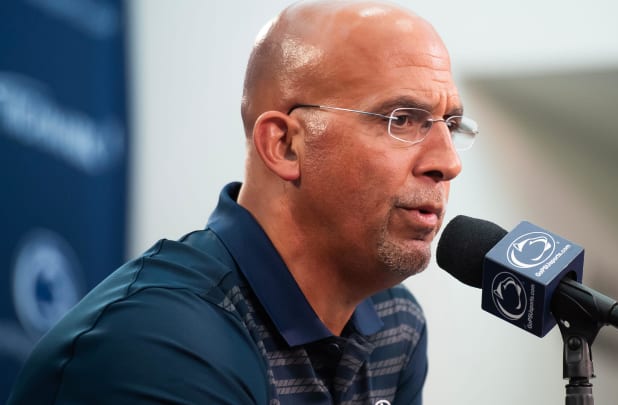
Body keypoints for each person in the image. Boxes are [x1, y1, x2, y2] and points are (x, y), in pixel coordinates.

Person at [8, 1, 478, 403]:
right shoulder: (160, 341)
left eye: (450, 124)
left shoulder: (396, 327)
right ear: (285, 146)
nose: (447, 162)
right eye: (403, 118)